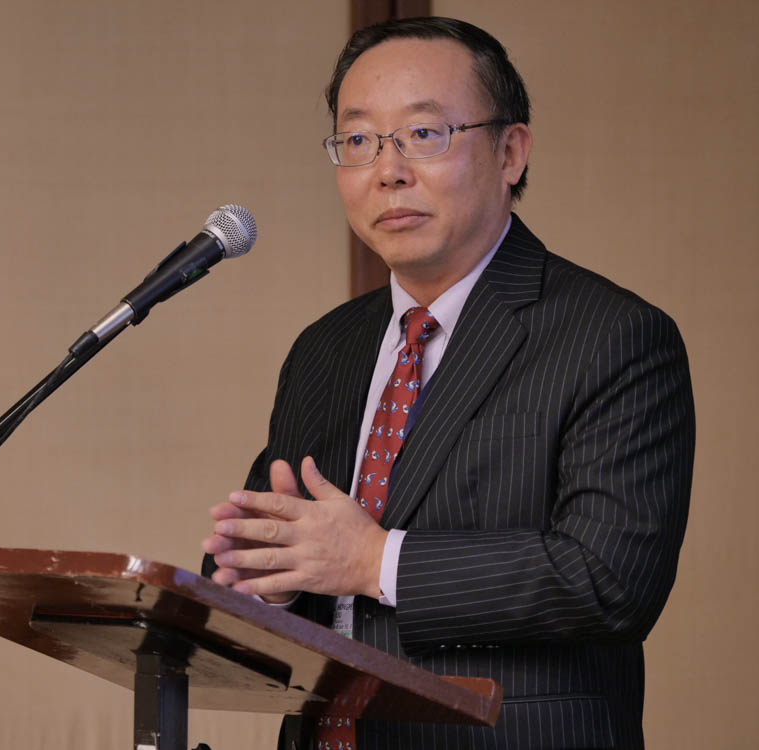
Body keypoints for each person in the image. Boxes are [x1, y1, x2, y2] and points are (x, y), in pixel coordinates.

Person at [202, 16, 694, 750]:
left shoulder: (612, 335)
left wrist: (374, 561)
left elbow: (607, 580)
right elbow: (274, 561)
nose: (388, 170)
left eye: (423, 134)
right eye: (359, 140)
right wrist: (267, 575)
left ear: (511, 152)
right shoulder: (325, 349)